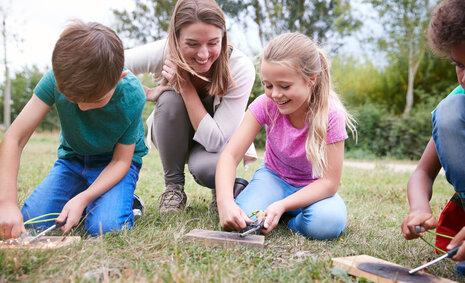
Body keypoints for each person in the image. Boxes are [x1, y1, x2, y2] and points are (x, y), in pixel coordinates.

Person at [0, 20, 148, 238]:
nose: (83, 107)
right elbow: (15, 138)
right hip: (73, 160)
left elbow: (121, 161)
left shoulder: (132, 94)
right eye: (73, 99)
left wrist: (84, 198)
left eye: (95, 99)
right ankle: (92, 197)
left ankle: (126, 201)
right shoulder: (57, 77)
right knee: (33, 223)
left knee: (104, 229)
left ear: (120, 78)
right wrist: (6, 203)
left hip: (113, 164)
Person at [215, 33, 356, 240]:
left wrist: (282, 205)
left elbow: (329, 183)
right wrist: (225, 202)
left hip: (313, 188)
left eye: (285, 86)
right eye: (268, 85)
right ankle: (267, 205)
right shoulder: (264, 105)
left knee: (327, 224)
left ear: (311, 80)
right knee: (244, 220)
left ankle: (289, 217)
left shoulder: (331, 115)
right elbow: (230, 155)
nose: (275, 94)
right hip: (273, 178)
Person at [125, 0, 256, 213]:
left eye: (213, 43)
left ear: (223, 37)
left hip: (218, 144)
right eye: (192, 44)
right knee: (168, 99)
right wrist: (144, 92)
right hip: (174, 135)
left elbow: (215, 141)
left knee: (209, 170)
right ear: (175, 39)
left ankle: (222, 188)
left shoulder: (240, 68)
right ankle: (173, 189)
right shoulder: (164, 51)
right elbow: (111, 63)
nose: (203, 55)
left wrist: (184, 85)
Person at [400, 0, 465, 266]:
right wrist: (419, 209)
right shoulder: (459, 106)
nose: (464, 79)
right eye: (459, 65)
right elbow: (423, 173)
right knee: (449, 110)